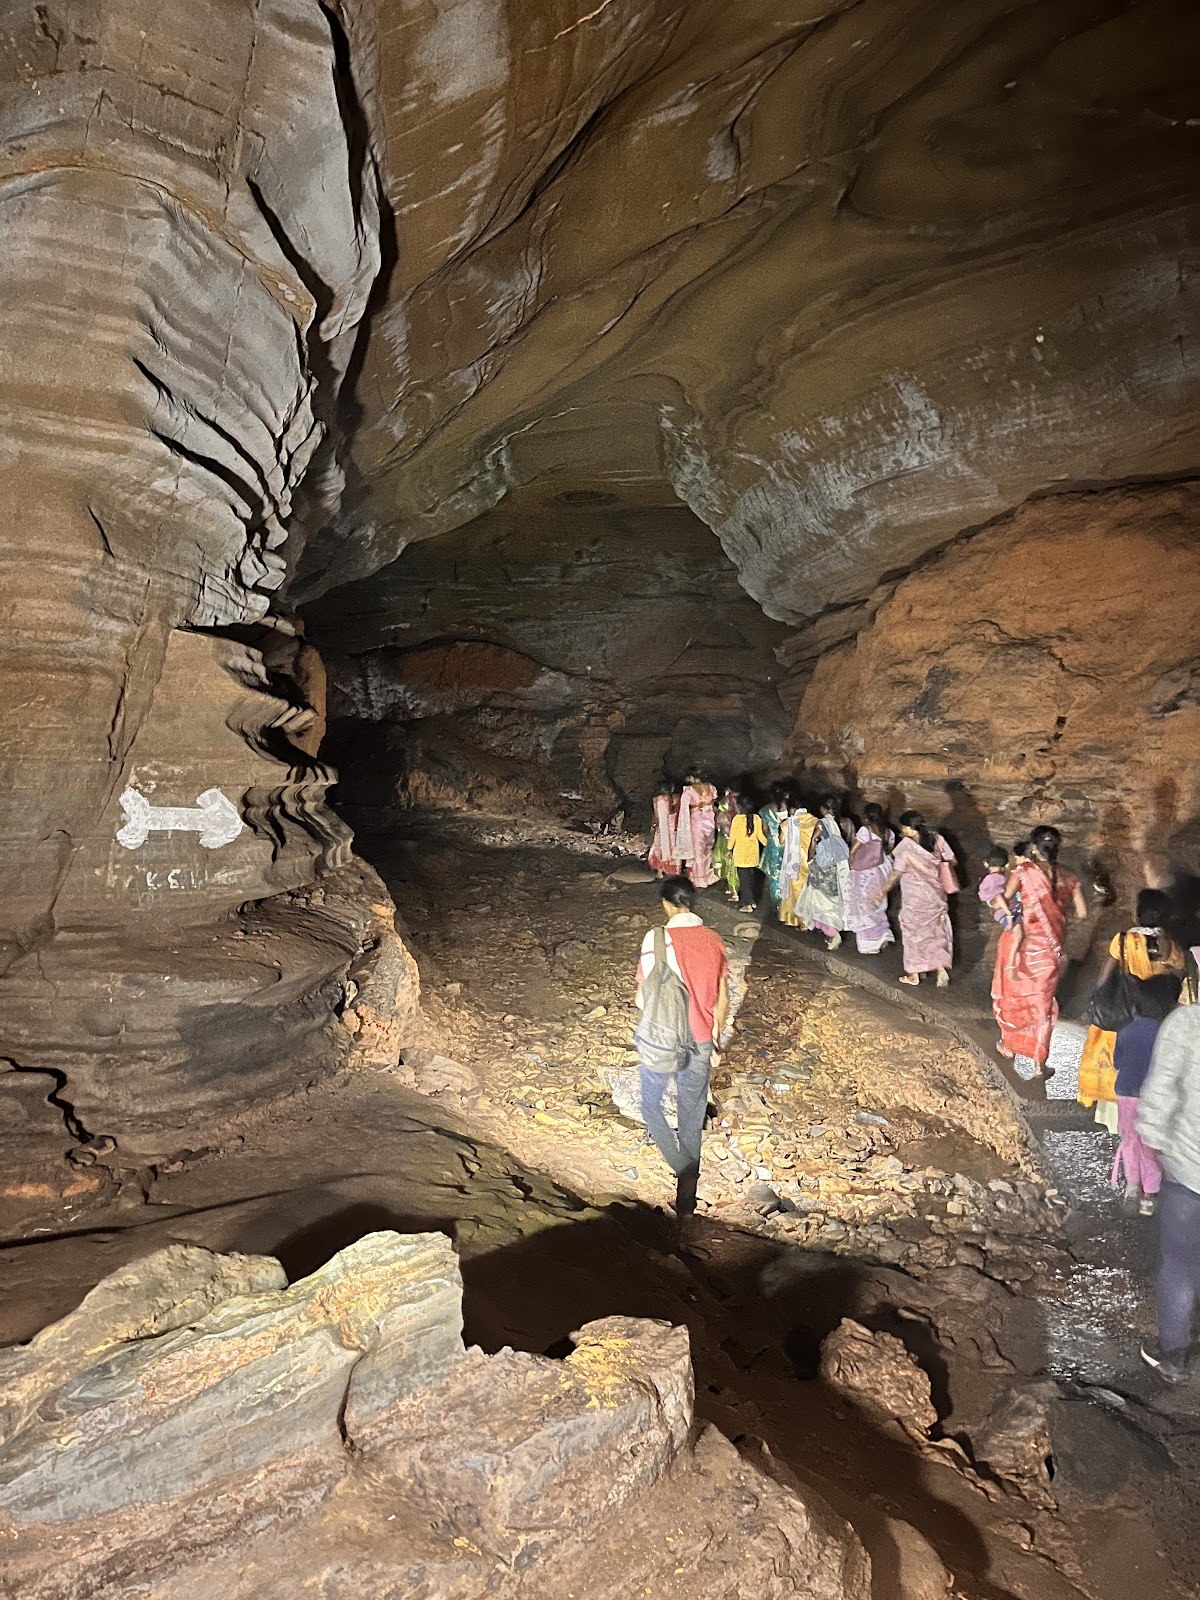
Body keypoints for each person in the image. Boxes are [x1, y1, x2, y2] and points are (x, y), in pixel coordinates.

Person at [635, 876, 730, 1216]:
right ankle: (686, 1202)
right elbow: (722, 998)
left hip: (664, 1039)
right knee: (691, 1116)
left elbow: (643, 996)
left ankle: (680, 1164)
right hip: (702, 1039)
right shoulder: (714, 940)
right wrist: (715, 1038)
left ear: (666, 904)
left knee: (650, 1104)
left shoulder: (656, 938)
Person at [1079, 889, 1185, 1124]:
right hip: (1154, 1012)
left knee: (1117, 1062)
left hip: (1125, 1007)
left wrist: (1102, 997)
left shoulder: (1124, 939)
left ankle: (1117, 1118)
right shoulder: (1167, 944)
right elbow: (1178, 972)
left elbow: (1106, 972)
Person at [1136, 1002, 1200, 1384]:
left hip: (1189, 1167)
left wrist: (1153, 1143)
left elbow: (1162, 1089)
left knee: (1179, 1260)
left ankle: (1174, 1355)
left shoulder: (1189, 1023)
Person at [991, 824, 1086, 1073]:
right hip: (1050, 950)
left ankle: (1010, 1045)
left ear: (1034, 847)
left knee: (1014, 996)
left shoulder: (1024, 871)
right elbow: (1083, 913)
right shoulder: (1070, 876)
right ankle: (1038, 1063)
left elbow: (1005, 898)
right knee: (1042, 1004)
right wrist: (1058, 917)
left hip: (1023, 945)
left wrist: (1007, 912)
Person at [1111, 973, 1182, 1216]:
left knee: (1130, 1140)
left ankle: (1132, 1187)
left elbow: (1117, 1061)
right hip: (1154, 1097)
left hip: (1126, 1093)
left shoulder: (1126, 1030)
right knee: (1150, 1144)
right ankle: (1150, 1195)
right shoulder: (1168, 1032)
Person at [877, 810, 957, 986]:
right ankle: (941, 968)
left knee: (913, 933)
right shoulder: (937, 839)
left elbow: (896, 873)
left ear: (907, 828)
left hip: (915, 898)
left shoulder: (905, 848)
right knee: (937, 931)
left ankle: (914, 974)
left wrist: (881, 891)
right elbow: (952, 861)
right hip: (936, 894)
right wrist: (935, 869)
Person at [794, 796, 851, 950]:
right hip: (836, 866)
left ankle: (832, 933)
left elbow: (814, 840)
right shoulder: (844, 822)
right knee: (832, 898)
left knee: (819, 899)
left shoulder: (822, 822)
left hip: (823, 866)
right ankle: (830, 932)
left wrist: (810, 856)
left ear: (824, 808)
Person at [845, 803, 896, 955]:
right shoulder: (888, 832)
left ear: (866, 816)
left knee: (863, 907)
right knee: (878, 905)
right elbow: (890, 853)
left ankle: (868, 945)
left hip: (864, 874)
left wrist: (849, 866)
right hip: (881, 872)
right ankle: (883, 934)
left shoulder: (865, 830)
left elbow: (853, 851)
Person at [778, 799, 818, 927]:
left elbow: (781, 841)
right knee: (811, 892)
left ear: (792, 809)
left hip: (795, 864)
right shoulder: (815, 821)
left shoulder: (787, 824)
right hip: (812, 862)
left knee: (796, 893)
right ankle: (813, 921)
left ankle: (799, 921)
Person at [676, 773, 719, 888]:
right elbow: (714, 803)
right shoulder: (711, 787)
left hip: (697, 820)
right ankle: (708, 875)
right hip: (710, 819)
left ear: (692, 777)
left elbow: (684, 808)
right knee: (708, 847)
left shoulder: (689, 790)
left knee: (698, 850)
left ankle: (699, 878)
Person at [727, 797, 767, 910]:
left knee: (744, 881)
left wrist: (729, 849)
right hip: (753, 854)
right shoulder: (757, 818)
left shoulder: (737, 819)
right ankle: (752, 900)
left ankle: (748, 904)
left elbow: (732, 837)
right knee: (750, 879)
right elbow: (761, 837)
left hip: (740, 854)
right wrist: (769, 844)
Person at [758, 787, 789, 906]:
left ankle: (777, 904)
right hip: (787, 844)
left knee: (774, 876)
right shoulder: (789, 811)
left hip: (773, 845)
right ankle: (788, 904)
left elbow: (765, 830)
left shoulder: (765, 810)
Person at [647, 788, 680, 877]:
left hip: (661, 828)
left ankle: (660, 872)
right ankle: (671, 871)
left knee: (659, 848)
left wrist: (653, 825)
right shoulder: (669, 799)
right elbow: (672, 812)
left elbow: (655, 816)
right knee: (669, 849)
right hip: (669, 828)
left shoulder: (656, 799)